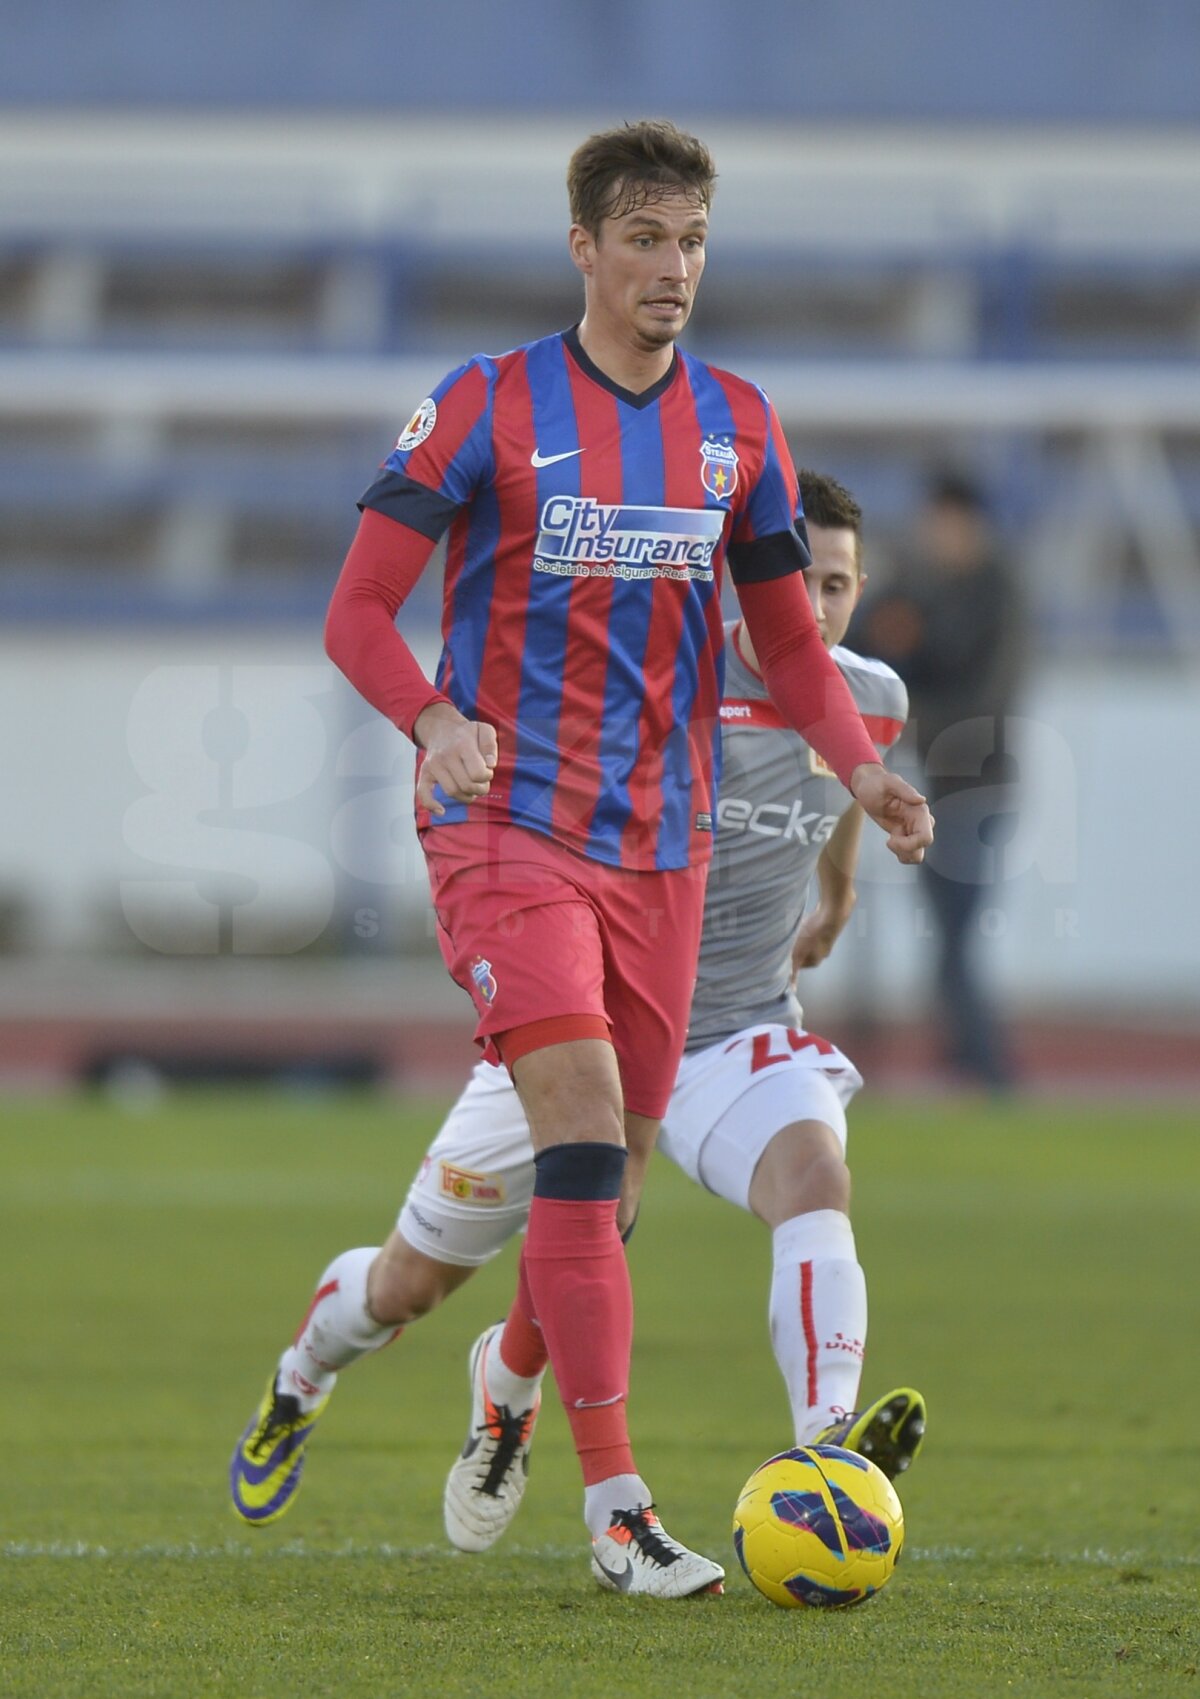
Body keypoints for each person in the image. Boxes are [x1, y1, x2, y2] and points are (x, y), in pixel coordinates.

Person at [230, 119, 932, 1599]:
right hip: (504, 829)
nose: (672, 268)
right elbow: (358, 611)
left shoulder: (738, 425)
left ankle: (460, 1374)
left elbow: (797, 644)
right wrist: (430, 718)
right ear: (585, 249)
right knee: (582, 1130)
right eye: (644, 240)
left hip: (655, 854)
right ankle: (617, 1503)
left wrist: (868, 768)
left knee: (588, 1190)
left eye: (691, 242)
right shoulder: (483, 405)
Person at [863, 469, 1023, 1090]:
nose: (934, 536)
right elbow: (885, 638)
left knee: (955, 937)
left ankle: (988, 1071)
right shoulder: (929, 584)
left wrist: (903, 715)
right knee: (949, 936)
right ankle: (971, 1066)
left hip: (979, 785)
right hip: (937, 784)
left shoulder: (999, 590)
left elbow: (989, 693)